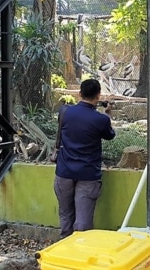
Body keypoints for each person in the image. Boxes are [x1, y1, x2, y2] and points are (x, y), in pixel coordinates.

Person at [54, 79, 116, 238]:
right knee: (83, 222)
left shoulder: (65, 111)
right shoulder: (100, 119)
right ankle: (81, 254)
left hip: (64, 173)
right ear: (98, 96)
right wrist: (108, 115)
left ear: (80, 94)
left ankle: (64, 250)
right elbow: (110, 135)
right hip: (88, 175)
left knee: (65, 215)